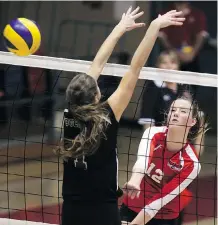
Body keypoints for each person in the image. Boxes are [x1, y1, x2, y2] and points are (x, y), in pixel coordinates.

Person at [55, 6, 185, 225]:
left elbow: (95, 67)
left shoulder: (70, 115)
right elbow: (134, 68)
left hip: (71, 209)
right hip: (102, 208)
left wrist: (118, 29)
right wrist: (152, 27)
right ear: (96, 95)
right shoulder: (108, 114)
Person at [120, 96, 208, 225]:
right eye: (173, 110)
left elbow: (161, 199)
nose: (175, 113)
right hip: (132, 206)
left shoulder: (192, 163)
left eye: (183, 111)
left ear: (192, 122)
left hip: (163, 216)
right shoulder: (153, 133)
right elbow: (142, 160)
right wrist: (135, 180)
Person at [139, 50, 205, 156]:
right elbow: (147, 122)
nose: (169, 66)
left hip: (185, 137)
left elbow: (196, 114)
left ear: (178, 66)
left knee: (200, 117)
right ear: (158, 67)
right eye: (164, 63)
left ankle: (195, 161)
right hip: (163, 139)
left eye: (173, 62)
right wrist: (149, 149)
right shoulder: (153, 88)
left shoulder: (185, 87)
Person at [158, 1, 208, 73]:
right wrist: (174, 52)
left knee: (192, 81)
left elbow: (201, 35)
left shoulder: (198, 14)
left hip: (192, 57)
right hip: (171, 58)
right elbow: (162, 36)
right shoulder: (166, 14)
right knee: (169, 80)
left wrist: (193, 53)